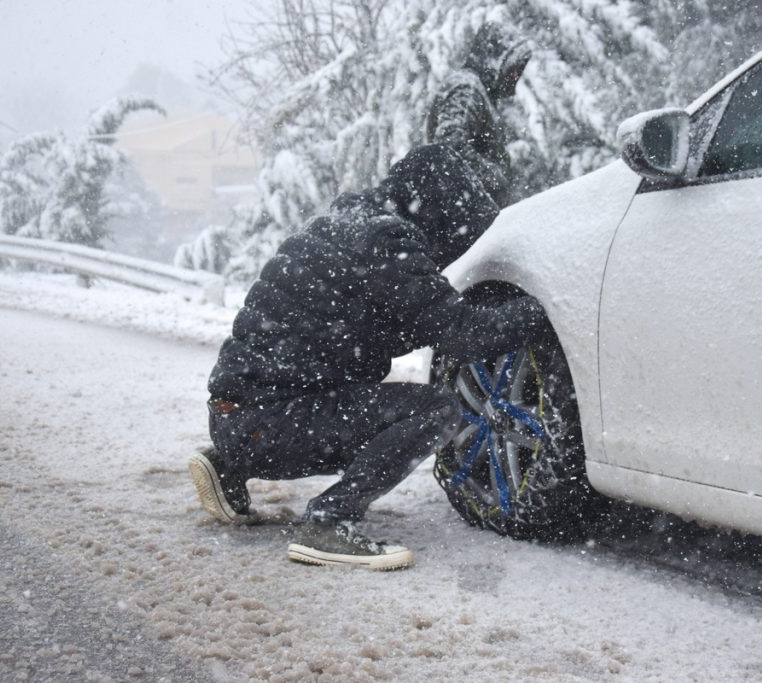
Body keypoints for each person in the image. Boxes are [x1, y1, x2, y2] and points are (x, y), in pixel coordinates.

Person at [189, 144, 547, 570]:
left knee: (362, 402)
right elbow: (462, 335)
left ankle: (228, 463)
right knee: (435, 410)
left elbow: (390, 323)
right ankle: (327, 522)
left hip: (239, 416)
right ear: (437, 213)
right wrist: (544, 305)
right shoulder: (386, 245)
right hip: (268, 423)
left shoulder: (349, 227)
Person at [426, 23, 531, 209]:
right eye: (513, 67)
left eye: (519, 69)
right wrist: (493, 178)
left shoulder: (478, 90)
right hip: (461, 216)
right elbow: (448, 145)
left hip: (467, 212)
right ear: (494, 57)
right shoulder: (468, 88)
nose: (516, 75)